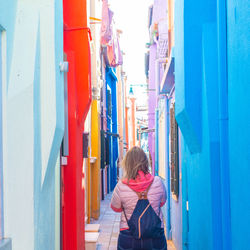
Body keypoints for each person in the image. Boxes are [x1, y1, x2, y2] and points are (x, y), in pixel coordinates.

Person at [111, 146, 167, 250]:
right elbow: (162, 202)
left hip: (128, 236)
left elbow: (115, 208)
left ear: (127, 164)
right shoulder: (158, 182)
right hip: (155, 236)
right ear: (145, 162)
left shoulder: (121, 186)